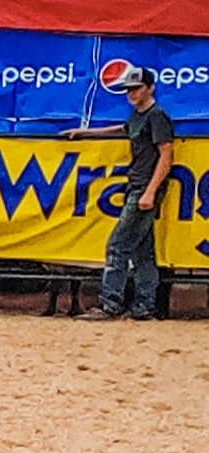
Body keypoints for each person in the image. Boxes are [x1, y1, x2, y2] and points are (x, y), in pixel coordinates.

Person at [64, 66, 174, 320]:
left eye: (136, 88)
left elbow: (166, 155)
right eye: (129, 89)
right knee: (142, 251)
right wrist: (85, 133)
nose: (132, 93)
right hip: (138, 187)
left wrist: (150, 192)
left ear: (150, 88)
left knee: (118, 246)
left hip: (143, 189)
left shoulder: (157, 116)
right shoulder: (140, 116)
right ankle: (144, 305)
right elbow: (124, 130)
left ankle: (110, 303)